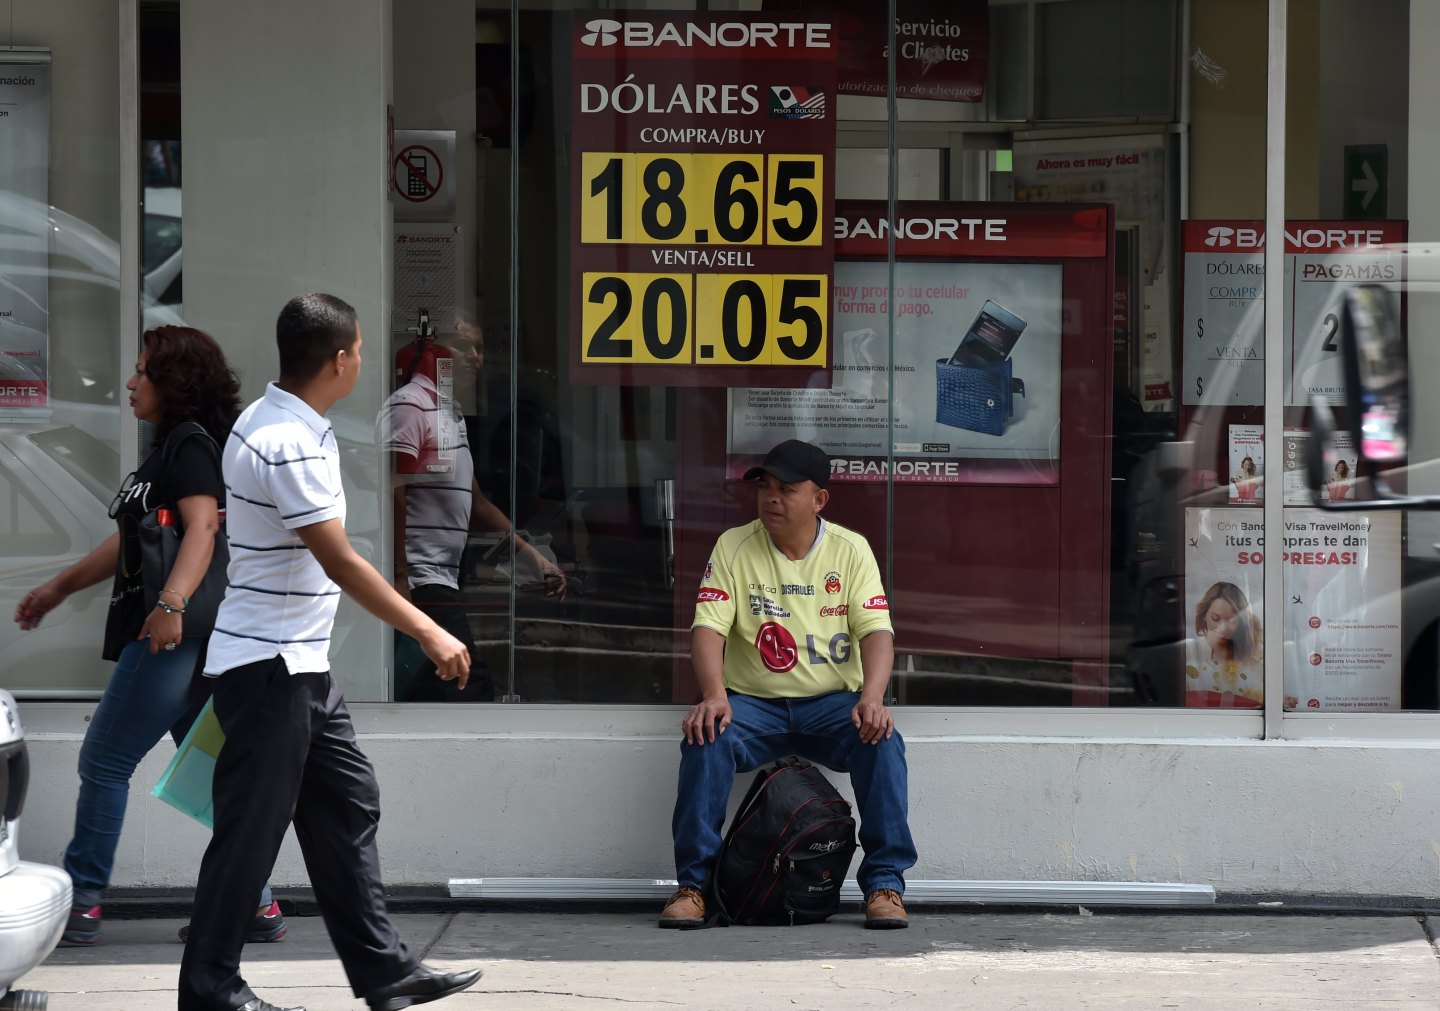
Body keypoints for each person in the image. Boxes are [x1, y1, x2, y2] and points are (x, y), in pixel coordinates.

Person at [177, 294, 482, 1011]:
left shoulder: (288, 421)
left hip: (299, 665)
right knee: (249, 835)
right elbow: (341, 561)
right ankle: (209, 987)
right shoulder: (282, 439)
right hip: (268, 669)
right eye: (361, 351)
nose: (364, 361)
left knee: (348, 804)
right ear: (339, 359)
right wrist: (429, 629)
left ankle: (384, 970)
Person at [13, 326, 284, 948]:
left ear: (175, 383)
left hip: (171, 636)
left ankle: (81, 903)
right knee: (206, 775)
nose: (131, 383)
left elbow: (201, 529)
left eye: (143, 372)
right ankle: (256, 903)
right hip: (200, 636)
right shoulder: (175, 445)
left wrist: (170, 605)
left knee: (104, 761)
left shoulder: (189, 445)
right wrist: (59, 588)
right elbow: (135, 538)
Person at [660, 439, 917, 931]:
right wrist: (714, 695)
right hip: (753, 705)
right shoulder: (734, 545)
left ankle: (885, 884)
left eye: (786, 490)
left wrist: (872, 698)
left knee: (883, 741)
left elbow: (877, 632)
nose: (771, 498)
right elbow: (708, 627)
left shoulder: (850, 549)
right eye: (765, 488)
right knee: (706, 735)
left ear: (819, 500)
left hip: (832, 705)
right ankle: (694, 887)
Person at [377, 319, 565, 702]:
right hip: (420, 580)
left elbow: (476, 503)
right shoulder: (408, 406)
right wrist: (400, 578)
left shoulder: (450, 414)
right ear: (431, 346)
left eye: (479, 348)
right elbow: (391, 494)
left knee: (437, 690)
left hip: (444, 579)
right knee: (469, 682)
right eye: (463, 345)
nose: (475, 358)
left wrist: (534, 558)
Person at [1184, 581, 1264, 707]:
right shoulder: (1188, 652)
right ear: (1204, 615)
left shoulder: (1258, 654)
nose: (1222, 628)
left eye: (1231, 620)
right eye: (1215, 619)